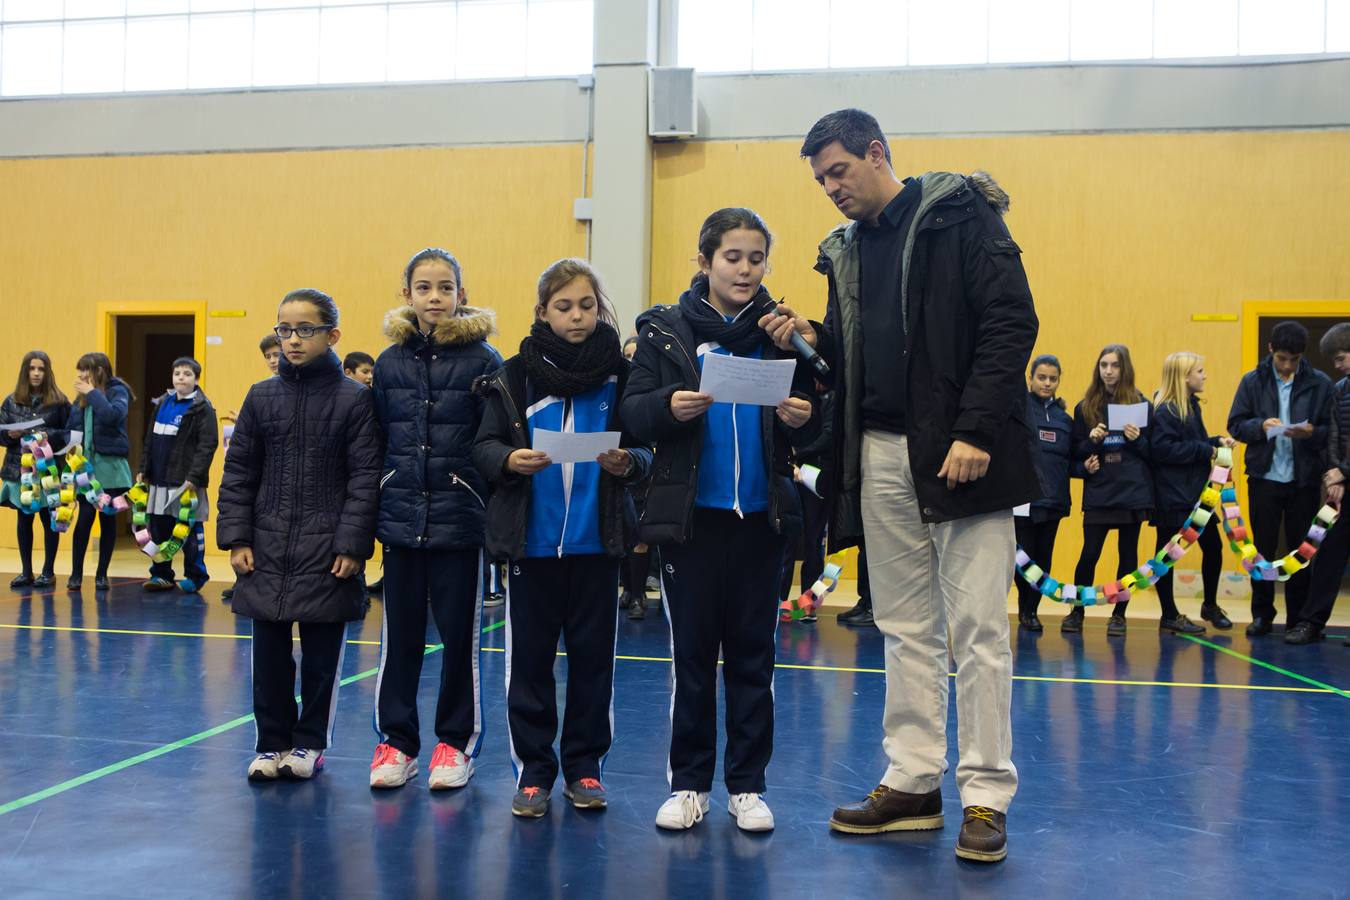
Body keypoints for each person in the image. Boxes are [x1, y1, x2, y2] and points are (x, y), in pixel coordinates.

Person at [762, 109, 1036, 863]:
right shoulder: (847, 251)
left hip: (958, 452)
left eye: (838, 171)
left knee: (979, 631)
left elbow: (1012, 321)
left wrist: (977, 430)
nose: (830, 189)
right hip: (878, 453)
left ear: (877, 154)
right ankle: (913, 779)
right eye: (820, 179)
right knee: (905, 628)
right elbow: (852, 354)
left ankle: (986, 795)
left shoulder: (960, 215)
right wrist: (812, 343)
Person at [622, 207, 817, 833]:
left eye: (756, 258)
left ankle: (747, 787)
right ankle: (688, 785)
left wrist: (803, 418)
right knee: (694, 659)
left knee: (755, 657)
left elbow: (826, 412)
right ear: (704, 261)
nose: (745, 269)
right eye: (732, 257)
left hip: (763, 520)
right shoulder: (664, 331)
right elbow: (631, 413)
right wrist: (667, 406)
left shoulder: (782, 334)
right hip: (691, 523)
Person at [474, 258, 651, 817]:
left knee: (593, 664)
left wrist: (631, 461)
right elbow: (481, 448)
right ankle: (534, 772)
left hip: (598, 546)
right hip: (532, 546)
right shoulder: (513, 375)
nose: (577, 317)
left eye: (587, 305)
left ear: (600, 308)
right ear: (542, 313)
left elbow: (651, 447)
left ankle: (585, 769)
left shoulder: (622, 377)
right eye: (564, 306)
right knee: (529, 664)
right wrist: (508, 458)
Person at [218, 288, 380, 781]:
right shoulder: (260, 395)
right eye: (284, 329)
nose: (292, 339)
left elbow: (365, 477)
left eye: (305, 330)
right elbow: (239, 471)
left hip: (328, 552)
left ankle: (309, 743)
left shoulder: (356, 399)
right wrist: (238, 538)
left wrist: (352, 545)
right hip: (265, 548)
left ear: (332, 335)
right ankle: (270, 744)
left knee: (320, 660)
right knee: (267, 657)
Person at [368, 248, 501, 791]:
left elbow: (492, 440)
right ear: (407, 295)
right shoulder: (389, 362)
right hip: (401, 520)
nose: (435, 298)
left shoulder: (485, 360)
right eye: (424, 288)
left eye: (445, 288)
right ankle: (397, 743)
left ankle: (454, 744)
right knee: (398, 638)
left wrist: (479, 497)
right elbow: (378, 438)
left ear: (461, 294)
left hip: (458, 521)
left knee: (457, 642)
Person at [1228, 321, 1332, 636]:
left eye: (1294, 360)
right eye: (1282, 358)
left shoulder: (1320, 383)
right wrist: (1260, 426)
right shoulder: (1252, 381)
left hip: (1304, 479)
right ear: (1271, 350)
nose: (1287, 366)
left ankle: (1299, 617)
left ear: (1302, 356)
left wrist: (1312, 432)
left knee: (1301, 550)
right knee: (1262, 547)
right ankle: (1262, 614)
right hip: (1264, 476)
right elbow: (1236, 424)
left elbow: (1331, 430)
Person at [1063, 344, 1154, 636]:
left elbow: (1153, 453)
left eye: (1114, 365)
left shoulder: (1141, 405)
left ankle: (1119, 615)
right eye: (1104, 365)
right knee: (1089, 554)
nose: (1108, 371)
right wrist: (1091, 441)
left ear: (1124, 369)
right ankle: (1077, 611)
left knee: (1127, 556)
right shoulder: (1085, 407)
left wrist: (1137, 439)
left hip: (1131, 491)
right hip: (1100, 490)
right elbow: (1074, 453)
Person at [1150, 352, 1234, 634]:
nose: (1204, 376)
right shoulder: (1166, 410)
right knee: (1167, 555)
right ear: (1185, 377)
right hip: (1173, 497)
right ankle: (1169, 614)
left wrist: (1215, 441)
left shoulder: (1190, 406)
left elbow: (1191, 443)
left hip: (1197, 496)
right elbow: (1163, 450)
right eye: (1200, 371)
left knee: (1213, 548)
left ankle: (1209, 604)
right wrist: (1205, 449)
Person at [136, 357, 218, 593]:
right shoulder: (162, 404)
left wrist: (193, 476)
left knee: (189, 532)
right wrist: (143, 469)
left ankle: (196, 575)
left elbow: (207, 445)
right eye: (177, 373)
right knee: (159, 531)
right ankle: (162, 575)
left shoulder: (202, 408)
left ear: (196, 379)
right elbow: (149, 440)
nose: (181, 378)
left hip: (186, 484)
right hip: (159, 481)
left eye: (187, 374)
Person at [1015, 355, 1085, 631]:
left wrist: (1085, 466)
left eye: (1052, 379)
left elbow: (1072, 460)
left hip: (1054, 500)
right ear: (1031, 378)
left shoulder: (1065, 420)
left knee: (1044, 560)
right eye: (1041, 377)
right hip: (1023, 502)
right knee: (1023, 559)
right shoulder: (1019, 409)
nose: (1046, 383)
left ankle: (1032, 609)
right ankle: (1023, 606)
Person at [1290, 323, 1350, 645]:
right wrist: (1335, 473)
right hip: (1344, 482)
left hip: (1346, 474)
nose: (1337, 366)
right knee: (1328, 553)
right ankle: (1312, 622)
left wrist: (1344, 471)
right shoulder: (1341, 389)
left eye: (1341, 358)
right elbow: (1336, 435)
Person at [66, 352, 135, 592]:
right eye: (80, 371)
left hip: (111, 468)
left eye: (87, 370)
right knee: (84, 519)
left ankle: (102, 574)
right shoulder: (81, 399)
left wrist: (92, 393)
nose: (83, 376)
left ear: (100, 371)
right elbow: (70, 430)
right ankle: (76, 573)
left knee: (107, 520)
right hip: (87, 469)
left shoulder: (117, 391)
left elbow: (112, 416)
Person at [1, 351, 70, 589]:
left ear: (47, 372)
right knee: (24, 517)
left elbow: (69, 434)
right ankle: (26, 571)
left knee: (48, 517)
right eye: (32, 369)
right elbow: (0, 432)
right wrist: (8, 434)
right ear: (25, 371)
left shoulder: (60, 402)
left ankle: (48, 571)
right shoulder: (11, 401)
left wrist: (48, 435)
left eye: (41, 369)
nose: (37, 373)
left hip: (47, 470)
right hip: (19, 469)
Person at [222, 335, 283, 603]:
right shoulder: (261, 391)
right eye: (268, 356)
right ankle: (244, 581)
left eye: (276, 354)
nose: (273, 360)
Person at [618, 334, 654, 619]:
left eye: (637, 355)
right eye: (627, 355)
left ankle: (638, 596)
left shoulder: (651, 386)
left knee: (641, 536)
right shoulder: (617, 389)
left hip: (645, 470)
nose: (632, 360)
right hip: (617, 469)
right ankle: (628, 589)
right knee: (621, 536)